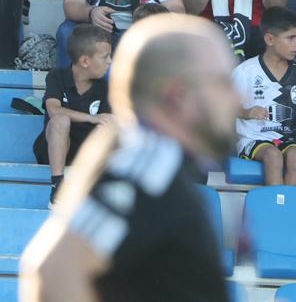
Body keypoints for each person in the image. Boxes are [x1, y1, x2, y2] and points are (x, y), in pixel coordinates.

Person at [19, 15, 238, 302]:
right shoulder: (144, 167)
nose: (237, 97)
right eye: (222, 83)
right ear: (178, 94)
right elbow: (56, 271)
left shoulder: (167, 169)